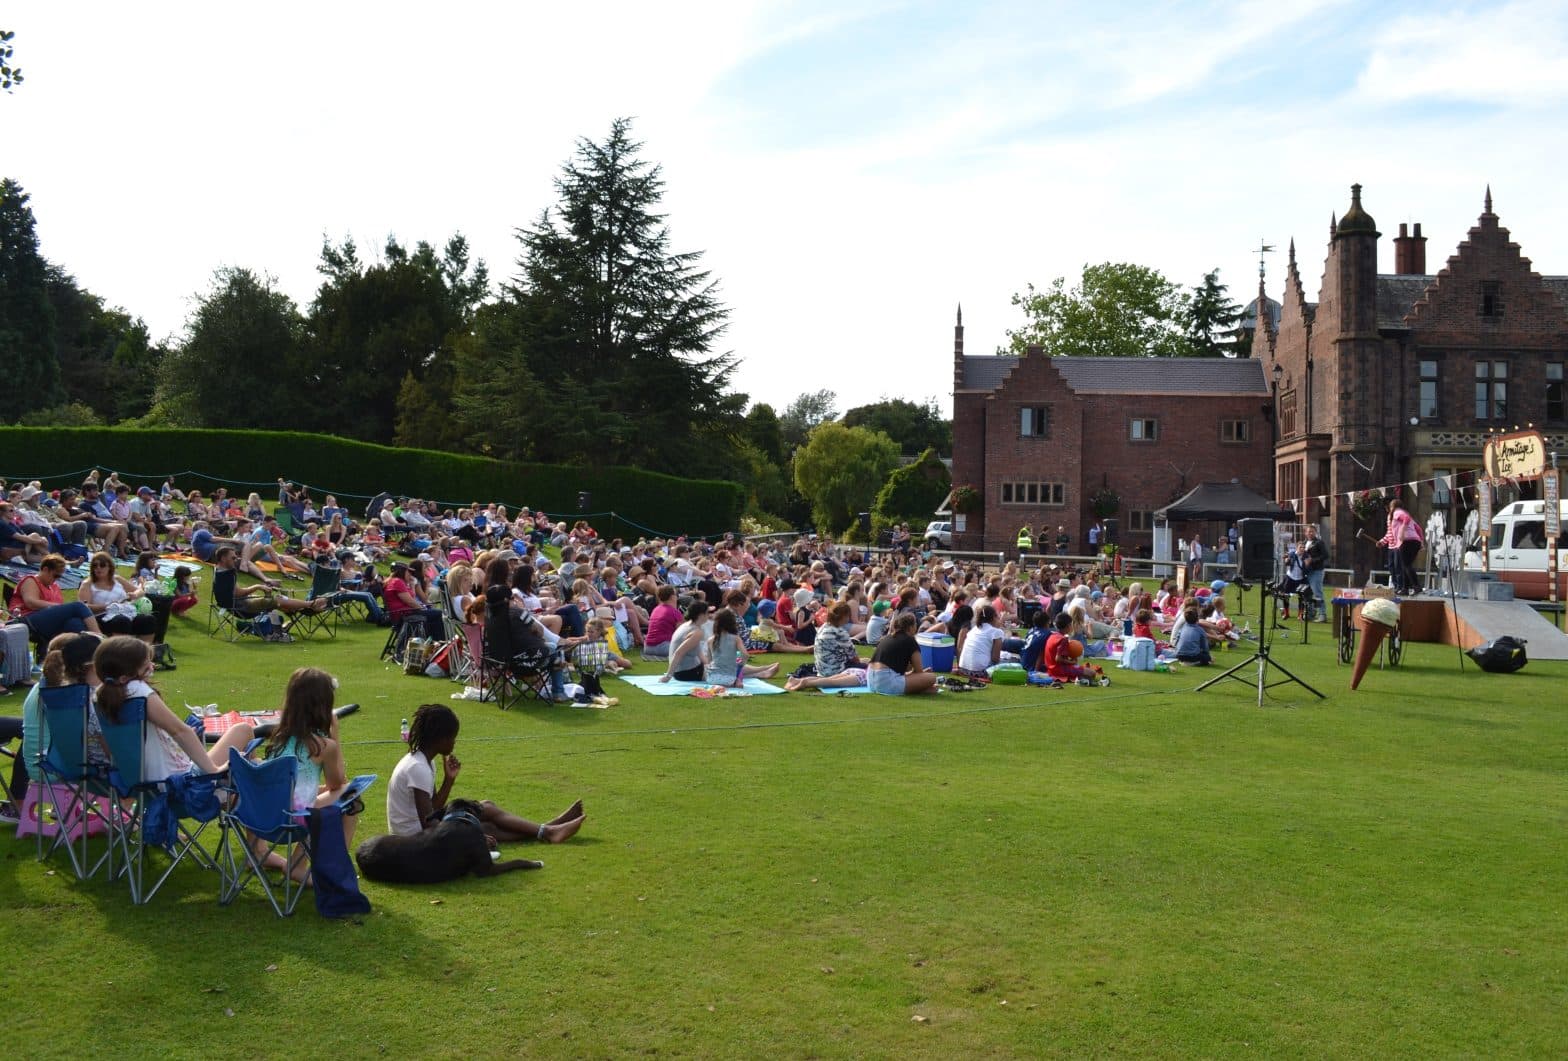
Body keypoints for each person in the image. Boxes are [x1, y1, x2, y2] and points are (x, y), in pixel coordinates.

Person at [388, 703, 584, 844]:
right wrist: (472, 836)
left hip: (415, 829)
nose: (454, 743)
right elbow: (428, 824)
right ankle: (548, 830)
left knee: (486, 810)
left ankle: (548, 829)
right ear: (440, 738)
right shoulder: (418, 768)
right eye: (452, 738)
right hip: (412, 837)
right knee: (485, 824)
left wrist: (449, 780)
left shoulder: (424, 761)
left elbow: (432, 808)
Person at [93, 635, 257, 779]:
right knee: (243, 730)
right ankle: (243, 801)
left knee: (250, 759)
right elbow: (179, 731)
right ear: (124, 677)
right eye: (146, 666)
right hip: (178, 783)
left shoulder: (100, 694)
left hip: (139, 782)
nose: (152, 667)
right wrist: (213, 770)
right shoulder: (138, 691)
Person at [259, 667, 363, 880]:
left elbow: (298, 784)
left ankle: (295, 864)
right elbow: (338, 784)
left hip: (261, 813)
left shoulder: (278, 736)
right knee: (351, 797)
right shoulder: (323, 745)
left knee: (314, 802)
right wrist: (336, 736)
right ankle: (330, 871)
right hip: (291, 819)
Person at [9, 554, 103, 641]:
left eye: (59, 577)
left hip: (47, 623)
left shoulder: (55, 587)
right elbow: (31, 602)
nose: (56, 579)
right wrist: (57, 606)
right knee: (78, 606)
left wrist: (59, 608)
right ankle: (99, 638)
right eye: (55, 575)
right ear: (45, 569)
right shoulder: (31, 580)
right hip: (26, 620)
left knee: (74, 623)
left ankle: (85, 652)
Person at [76, 551, 158, 643]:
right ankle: (120, 651)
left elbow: (140, 591)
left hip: (125, 611)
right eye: (95, 566)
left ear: (109, 567)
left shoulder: (117, 579)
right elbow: (84, 607)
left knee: (148, 620)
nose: (98, 568)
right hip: (102, 616)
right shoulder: (87, 584)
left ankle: (145, 652)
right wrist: (108, 606)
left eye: (102, 565)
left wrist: (134, 595)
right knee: (122, 621)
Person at [865, 612, 938, 695]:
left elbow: (900, 669)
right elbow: (919, 671)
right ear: (911, 627)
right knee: (931, 677)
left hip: (871, 682)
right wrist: (923, 674)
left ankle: (918, 690)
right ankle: (919, 690)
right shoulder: (910, 640)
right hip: (886, 682)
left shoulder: (888, 637)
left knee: (925, 679)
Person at [1379, 499, 1424, 595]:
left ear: (1392, 507)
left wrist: (1402, 530)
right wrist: (1421, 541)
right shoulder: (1404, 513)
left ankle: (1416, 586)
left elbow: (1406, 519)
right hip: (1414, 541)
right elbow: (1418, 528)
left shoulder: (1397, 512)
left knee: (1406, 565)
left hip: (1407, 541)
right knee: (1405, 565)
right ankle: (1405, 588)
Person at [660, 601, 711, 683]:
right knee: (723, 673)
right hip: (687, 672)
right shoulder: (697, 632)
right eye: (707, 613)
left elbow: (699, 652)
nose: (709, 615)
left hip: (681, 672)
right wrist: (668, 676)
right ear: (701, 615)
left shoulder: (685, 625)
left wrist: (708, 664)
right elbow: (678, 653)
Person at [957, 604, 1007, 675]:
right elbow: (995, 659)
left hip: (963, 668)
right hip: (980, 671)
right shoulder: (996, 632)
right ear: (993, 617)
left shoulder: (974, 629)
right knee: (1012, 661)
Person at [1300, 524, 1328, 620]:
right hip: (1306, 571)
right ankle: (1310, 614)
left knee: (1317, 593)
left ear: (1315, 532)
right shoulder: (1303, 543)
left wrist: (1312, 560)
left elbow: (1325, 556)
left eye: (1312, 531)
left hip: (1316, 571)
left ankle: (1322, 615)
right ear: (1305, 533)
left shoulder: (1319, 542)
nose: (1310, 533)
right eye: (1308, 531)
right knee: (1307, 593)